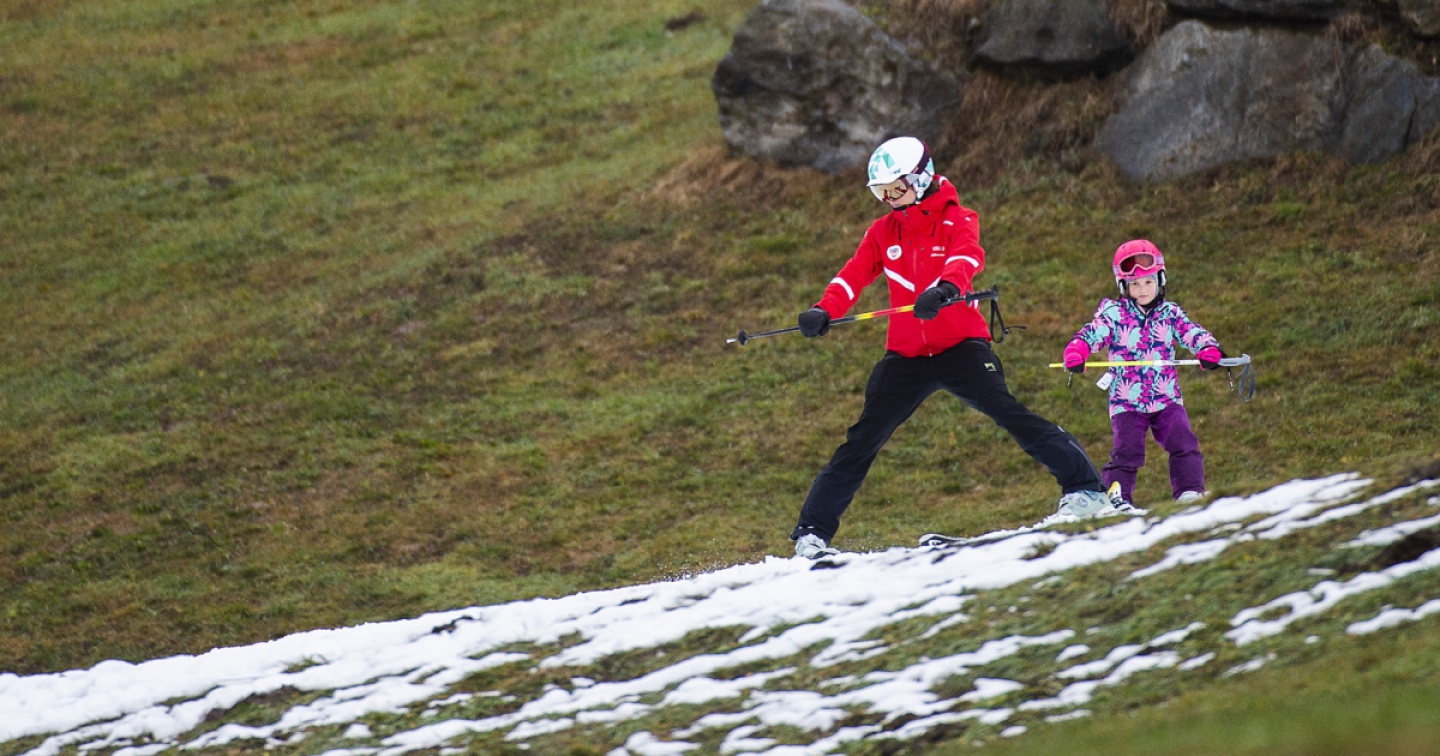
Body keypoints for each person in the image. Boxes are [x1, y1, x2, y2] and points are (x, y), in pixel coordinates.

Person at [789, 136, 1109, 560]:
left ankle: (1086, 490)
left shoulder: (958, 218)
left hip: (960, 346)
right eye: (881, 192)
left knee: (1009, 413)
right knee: (862, 439)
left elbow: (966, 258)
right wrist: (823, 309)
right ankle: (812, 533)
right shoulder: (882, 232)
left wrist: (945, 290)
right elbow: (853, 275)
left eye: (896, 188)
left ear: (920, 179)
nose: (889, 199)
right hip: (906, 356)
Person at [1061, 239, 1224, 508]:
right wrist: (1078, 351)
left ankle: (1190, 492)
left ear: (1160, 280)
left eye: (1148, 282)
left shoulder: (1170, 313)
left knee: (1183, 441)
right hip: (1127, 401)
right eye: (1134, 284)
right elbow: (1092, 334)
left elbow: (1192, 332)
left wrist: (1207, 348)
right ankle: (1117, 499)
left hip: (1166, 397)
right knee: (1127, 451)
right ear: (1123, 286)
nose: (1142, 289)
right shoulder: (1114, 314)